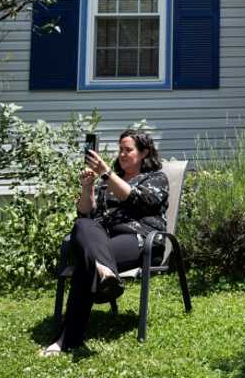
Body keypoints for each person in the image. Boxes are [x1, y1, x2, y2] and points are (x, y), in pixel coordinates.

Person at [43, 128, 169, 355]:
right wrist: (88, 187)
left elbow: (137, 200)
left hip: (139, 238)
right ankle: (105, 272)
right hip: (105, 239)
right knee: (82, 225)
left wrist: (106, 173)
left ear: (144, 152)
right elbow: (86, 214)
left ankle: (65, 340)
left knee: (85, 265)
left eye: (128, 150)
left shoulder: (156, 178)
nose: (122, 154)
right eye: (120, 149)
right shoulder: (105, 181)